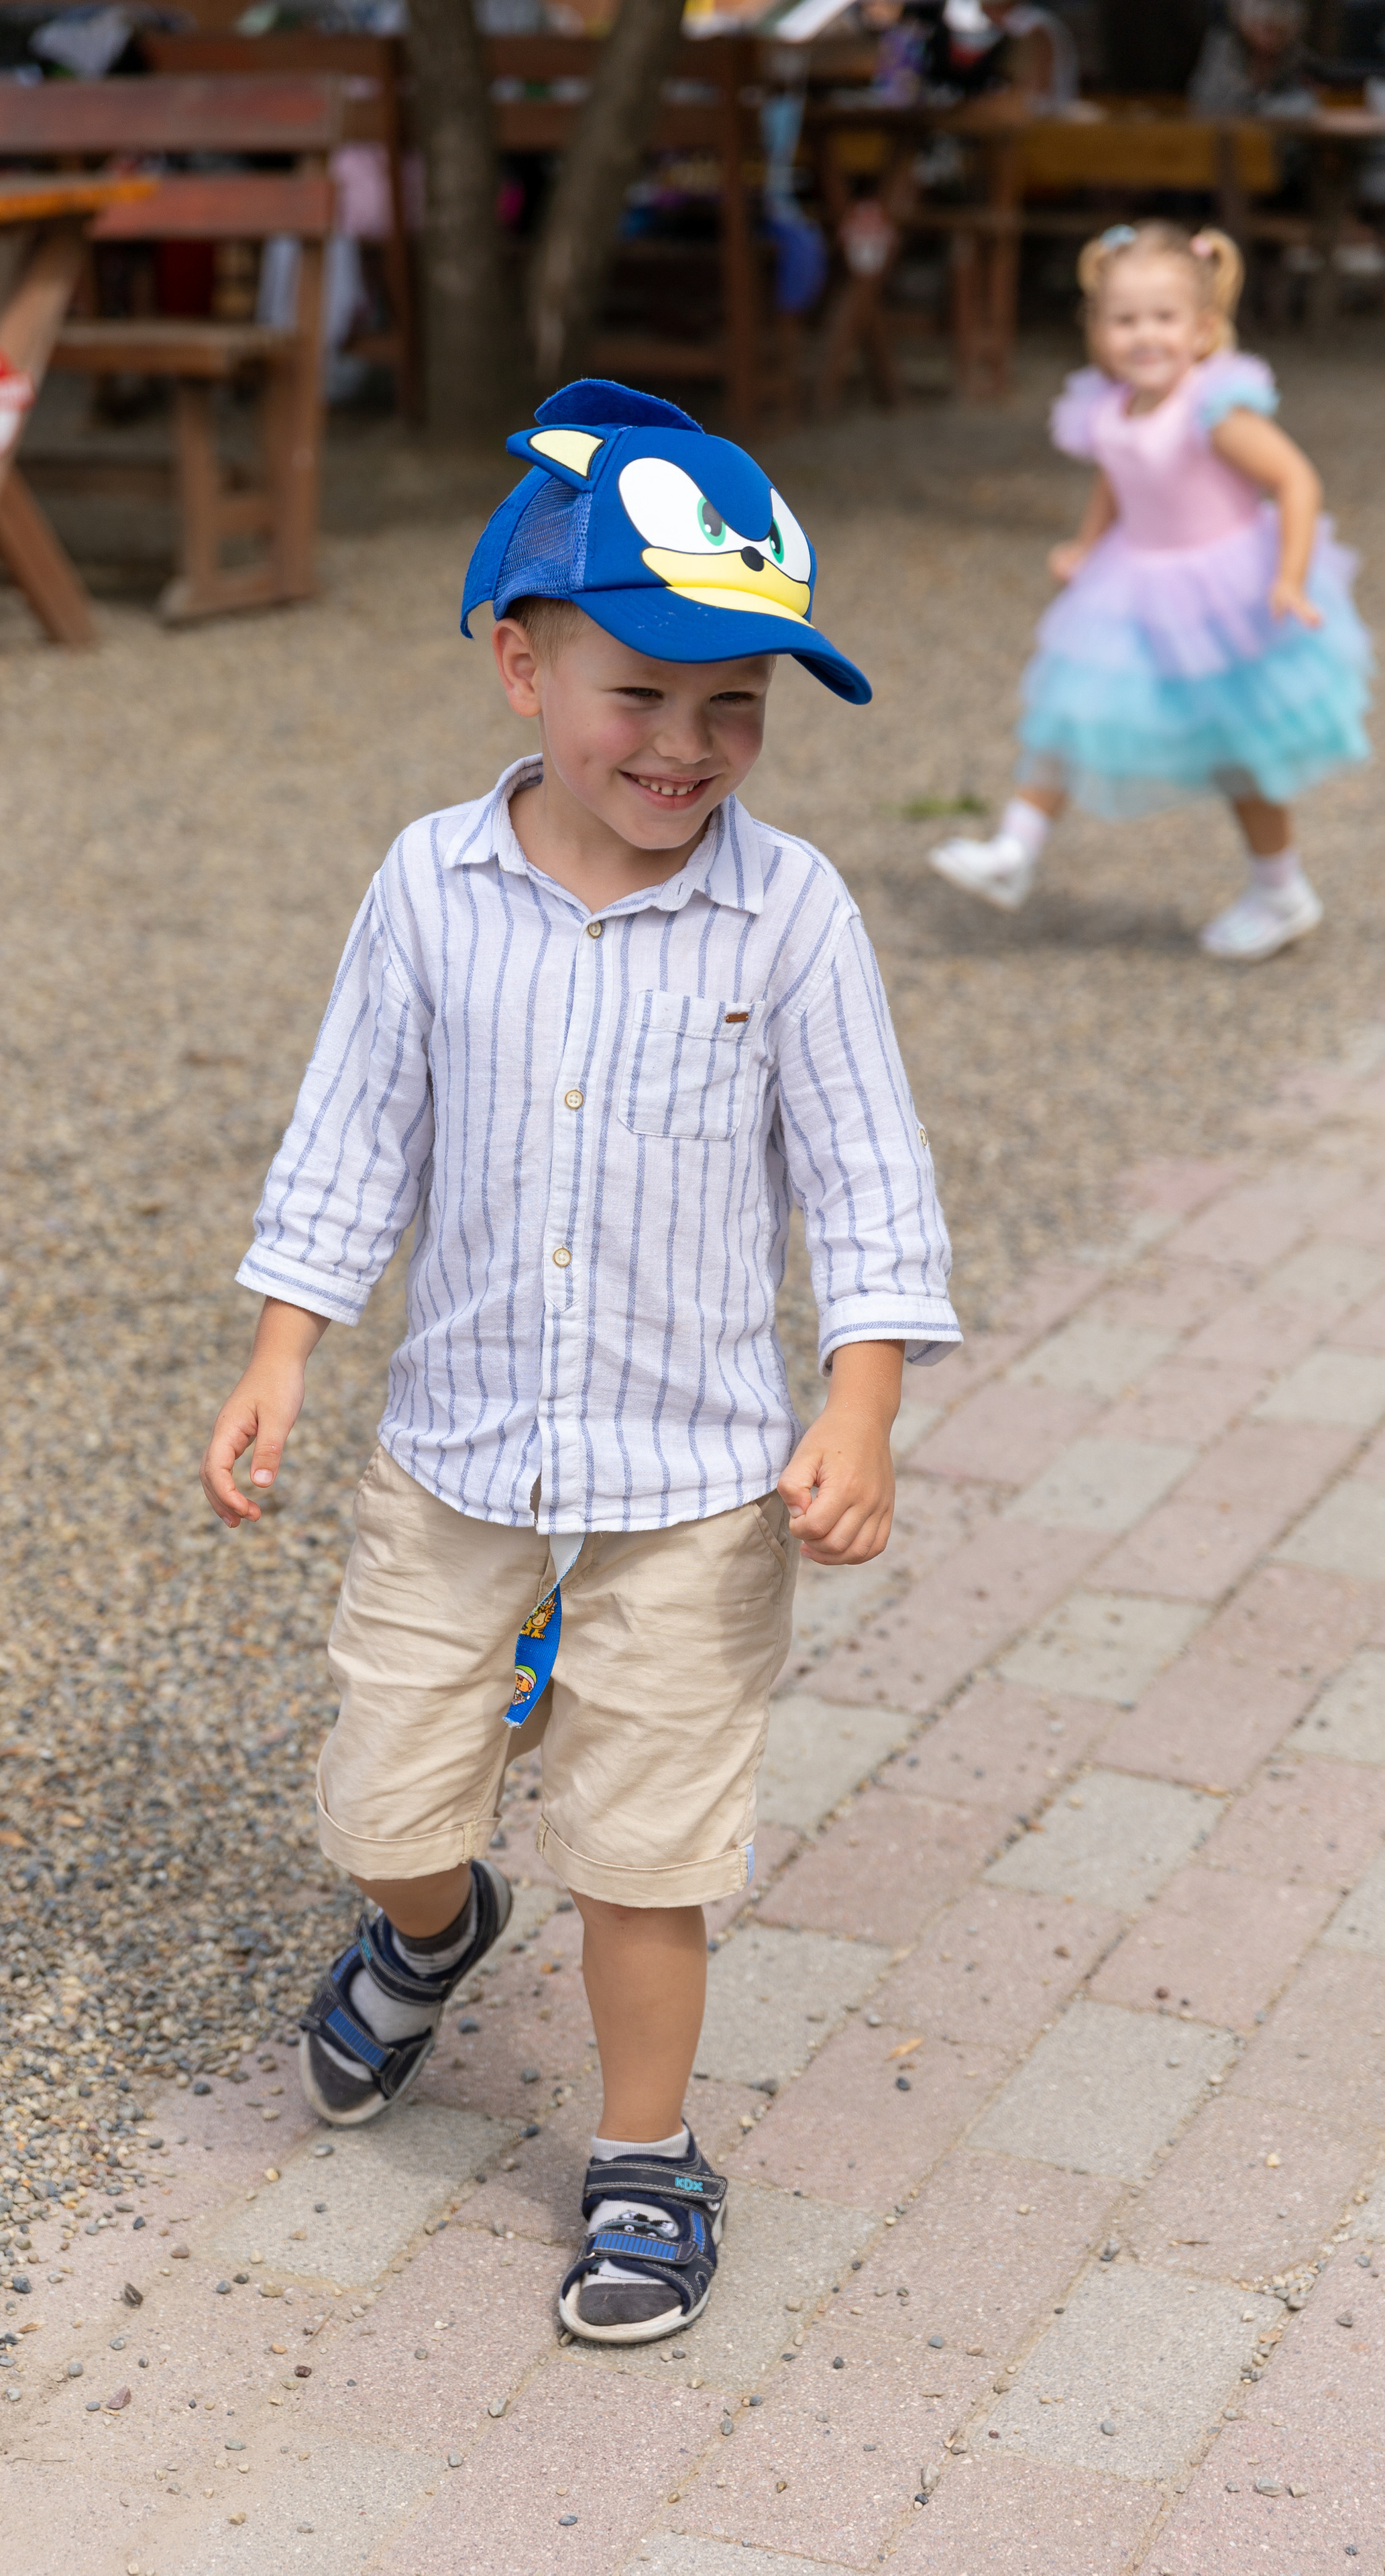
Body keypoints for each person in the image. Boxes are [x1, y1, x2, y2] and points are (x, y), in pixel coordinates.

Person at [201, 378, 960, 2346]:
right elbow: (353, 1129)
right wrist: (285, 1342)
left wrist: (859, 1395)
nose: (689, 745)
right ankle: (431, 1926)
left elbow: (869, 1176)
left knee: (648, 1846)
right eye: (642, 692)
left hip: (691, 1492)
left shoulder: (786, 913)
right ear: (518, 665)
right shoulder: (426, 889)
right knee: (387, 1798)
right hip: (453, 1460)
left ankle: (643, 2154)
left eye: (738, 706)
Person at [928, 221, 1370, 961]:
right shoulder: (1112, 407)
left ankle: (1280, 888)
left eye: (1162, 319)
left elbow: (1294, 479)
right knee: (1071, 710)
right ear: (1096, 330)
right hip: (1134, 586)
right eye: (1124, 319)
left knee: (1242, 756)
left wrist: (1289, 576)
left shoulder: (1214, 411)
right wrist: (1085, 541)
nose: (1143, 336)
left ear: (1201, 330)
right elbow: (1117, 473)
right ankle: (1014, 848)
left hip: (1224, 596)